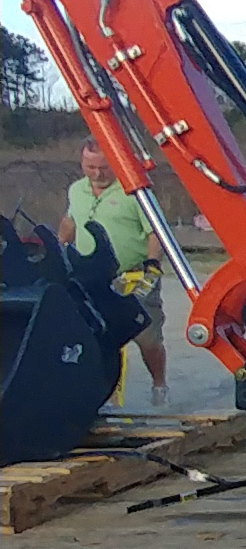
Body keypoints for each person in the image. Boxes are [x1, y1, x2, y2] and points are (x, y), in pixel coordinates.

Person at [58, 140, 169, 405]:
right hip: (92, 277)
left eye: (104, 167)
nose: (97, 174)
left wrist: (153, 264)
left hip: (134, 274)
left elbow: (156, 232)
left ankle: (159, 385)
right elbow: (69, 222)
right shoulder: (76, 190)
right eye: (90, 167)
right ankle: (105, 392)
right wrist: (59, 247)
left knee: (146, 335)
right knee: (99, 334)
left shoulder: (136, 191)